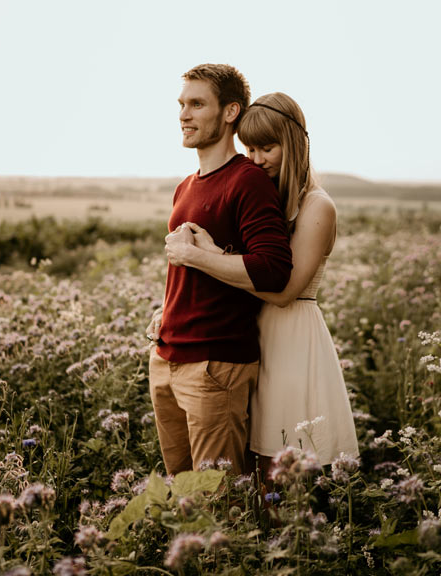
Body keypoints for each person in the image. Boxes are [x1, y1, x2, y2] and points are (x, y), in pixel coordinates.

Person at [163, 92, 359, 476]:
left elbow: (285, 291)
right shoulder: (269, 198)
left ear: (296, 144)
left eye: (267, 148)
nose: (256, 159)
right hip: (251, 334)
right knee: (247, 462)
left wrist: (212, 256)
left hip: (292, 337)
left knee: (286, 461)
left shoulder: (317, 206)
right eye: (250, 148)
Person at [146, 64, 293, 476]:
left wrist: (196, 257)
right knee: (182, 493)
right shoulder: (186, 185)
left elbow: (273, 270)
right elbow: (185, 267)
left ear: (231, 112)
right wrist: (166, 312)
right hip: (167, 356)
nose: (183, 115)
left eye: (196, 104)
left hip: (215, 366)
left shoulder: (248, 181)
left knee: (217, 506)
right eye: (181, 104)